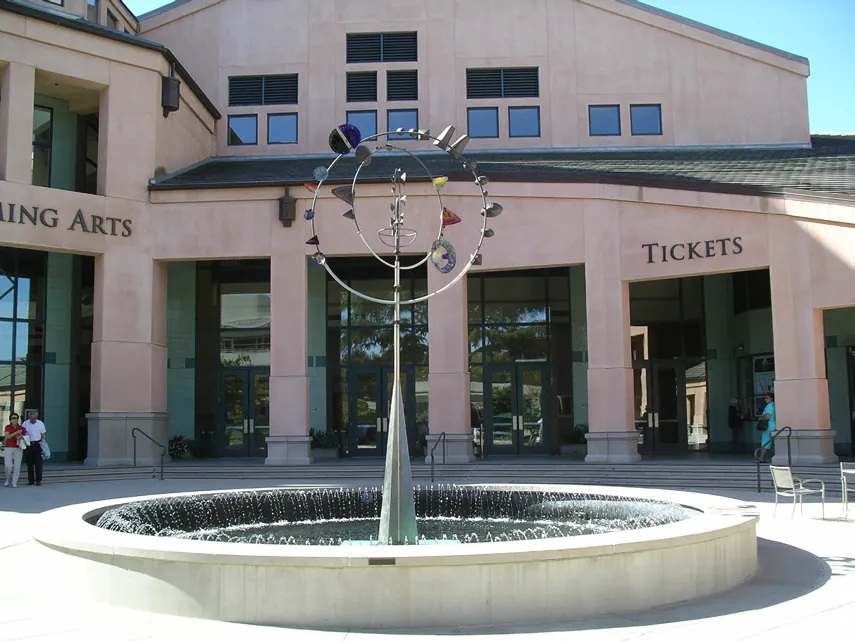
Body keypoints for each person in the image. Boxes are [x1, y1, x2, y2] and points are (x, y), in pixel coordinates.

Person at [22, 410, 47, 486]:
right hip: (29, 444)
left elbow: (43, 434)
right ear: (29, 417)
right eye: (32, 418)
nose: (33, 420)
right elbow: (22, 433)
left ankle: (38, 480)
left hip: (38, 444)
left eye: (34, 418)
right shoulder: (25, 423)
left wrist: (43, 443)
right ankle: (31, 480)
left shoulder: (40, 423)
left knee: (38, 463)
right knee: (29, 463)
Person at [3, 413, 25, 488]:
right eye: (13, 418)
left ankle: (14, 482)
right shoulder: (8, 427)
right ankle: (7, 479)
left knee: (17, 466)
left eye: (16, 418)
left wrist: (21, 437)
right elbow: (7, 437)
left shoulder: (21, 427)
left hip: (18, 447)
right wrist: (16, 432)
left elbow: (27, 436)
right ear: (10, 420)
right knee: (8, 465)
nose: (15, 419)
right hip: (8, 447)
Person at [757, 393, 776, 463]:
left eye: (767, 398)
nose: (765, 399)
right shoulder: (774, 405)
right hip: (773, 424)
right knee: (767, 441)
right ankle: (763, 458)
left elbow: (768, 416)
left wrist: (760, 417)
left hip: (768, 425)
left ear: (772, 398)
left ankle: (761, 458)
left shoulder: (769, 406)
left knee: (765, 442)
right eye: (765, 398)